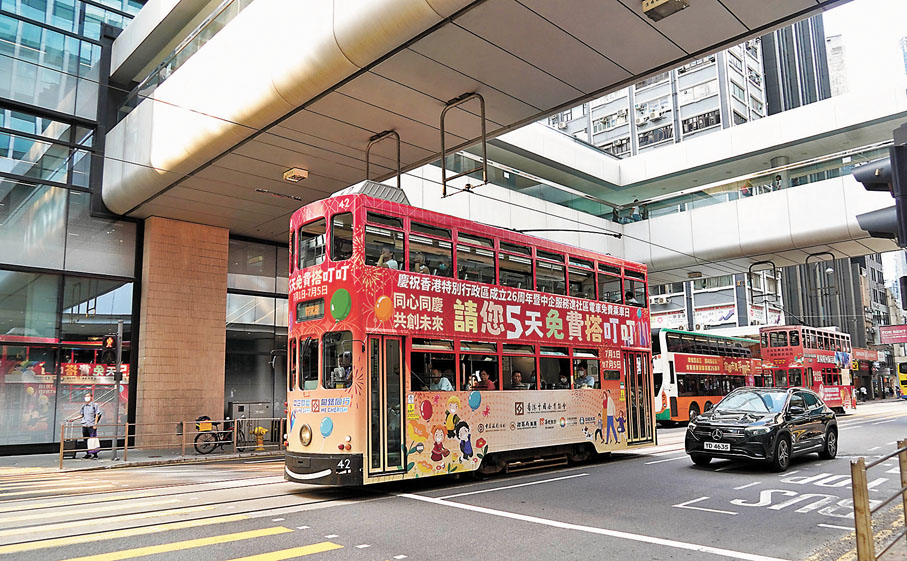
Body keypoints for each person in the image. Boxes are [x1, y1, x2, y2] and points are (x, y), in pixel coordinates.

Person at [68, 394, 101, 459]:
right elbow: (81, 415)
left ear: (91, 397)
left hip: (91, 425)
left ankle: (95, 454)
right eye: (85, 396)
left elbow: (97, 414)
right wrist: (73, 419)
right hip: (85, 425)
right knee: (85, 440)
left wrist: (95, 424)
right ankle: (88, 453)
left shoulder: (95, 405)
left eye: (88, 396)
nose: (86, 398)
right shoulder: (84, 406)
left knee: (93, 440)